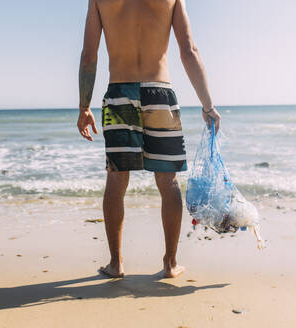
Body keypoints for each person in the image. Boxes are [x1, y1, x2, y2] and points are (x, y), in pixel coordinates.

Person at [77, 0, 221, 278]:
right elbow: (189, 51)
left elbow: (88, 56)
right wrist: (208, 105)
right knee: (168, 182)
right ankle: (170, 263)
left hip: (119, 93)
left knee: (116, 179)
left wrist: (84, 107)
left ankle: (116, 263)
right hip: (160, 93)